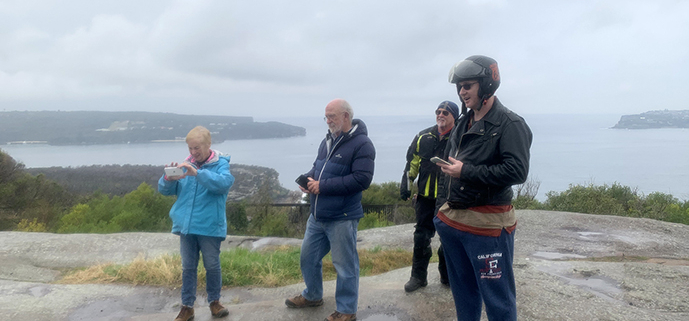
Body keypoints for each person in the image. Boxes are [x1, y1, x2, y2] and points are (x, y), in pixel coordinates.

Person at [433, 55, 532, 321]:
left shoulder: (511, 124)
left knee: (498, 298)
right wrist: (439, 211)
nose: (462, 92)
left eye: (468, 86)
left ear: (486, 85)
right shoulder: (464, 122)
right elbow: (449, 171)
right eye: (460, 87)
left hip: (487, 226)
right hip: (455, 222)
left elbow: (517, 171)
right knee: (463, 292)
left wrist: (466, 171)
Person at [285, 99, 375, 321]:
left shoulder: (363, 144)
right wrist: (308, 178)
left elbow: (362, 179)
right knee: (307, 258)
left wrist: (322, 186)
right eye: (326, 116)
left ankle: (346, 310)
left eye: (331, 116)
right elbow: (319, 167)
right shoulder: (327, 140)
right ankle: (313, 295)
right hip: (318, 215)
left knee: (345, 266)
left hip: (342, 216)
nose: (328, 121)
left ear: (346, 116)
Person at [158, 126, 235, 321]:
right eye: (190, 148)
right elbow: (165, 191)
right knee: (188, 268)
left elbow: (223, 184)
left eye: (197, 148)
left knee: (212, 265)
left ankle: (215, 302)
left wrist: (198, 173)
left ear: (208, 145)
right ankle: (187, 307)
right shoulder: (187, 164)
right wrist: (168, 179)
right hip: (187, 226)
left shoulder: (220, 164)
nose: (193, 152)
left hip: (209, 226)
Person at [400, 100, 458, 292]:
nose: (440, 115)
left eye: (446, 112)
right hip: (425, 196)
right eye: (438, 111)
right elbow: (413, 162)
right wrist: (407, 183)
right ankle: (418, 277)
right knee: (421, 237)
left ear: (454, 117)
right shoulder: (423, 136)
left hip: (449, 198)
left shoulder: (460, 137)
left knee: (448, 239)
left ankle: (448, 276)